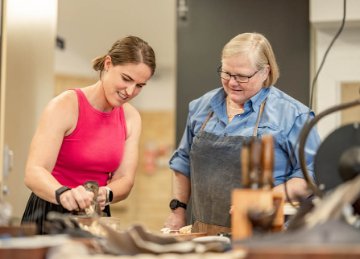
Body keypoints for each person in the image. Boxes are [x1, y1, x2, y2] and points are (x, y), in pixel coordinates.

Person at [164, 32, 321, 235]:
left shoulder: (293, 115)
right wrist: (178, 210)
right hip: (204, 235)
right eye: (227, 73)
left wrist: (262, 200)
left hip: (265, 237)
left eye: (242, 76)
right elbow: (183, 163)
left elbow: (308, 177)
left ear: (265, 72)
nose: (232, 82)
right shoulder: (201, 108)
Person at [21, 35, 156, 234]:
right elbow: (34, 172)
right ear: (108, 64)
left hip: (95, 216)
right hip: (50, 211)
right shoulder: (65, 105)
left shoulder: (131, 118)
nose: (129, 91)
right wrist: (64, 194)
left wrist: (106, 193)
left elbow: (125, 180)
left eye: (139, 86)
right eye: (126, 79)